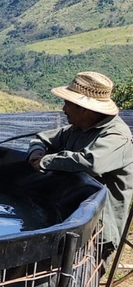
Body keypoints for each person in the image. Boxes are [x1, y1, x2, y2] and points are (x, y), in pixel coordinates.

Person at [27, 71, 133, 262]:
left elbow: (92, 163)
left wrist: (46, 161)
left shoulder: (117, 136)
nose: (63, 108)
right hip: (70, 221)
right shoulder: (76, 129)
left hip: (96, 232)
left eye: (68, 104)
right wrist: (36, 151)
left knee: (80, 282)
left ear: (85, 109)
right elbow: (42, 138)